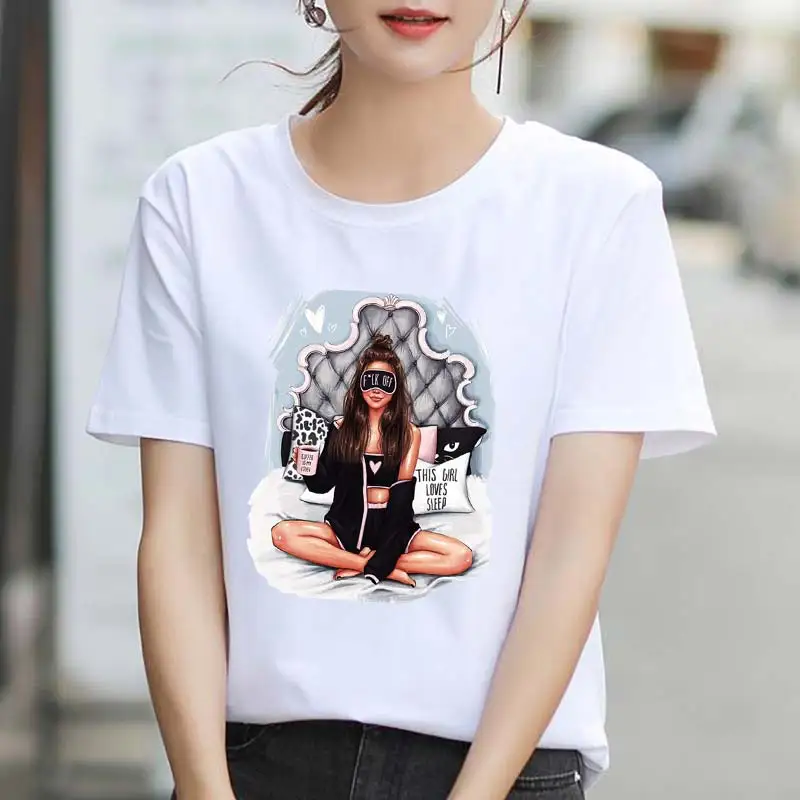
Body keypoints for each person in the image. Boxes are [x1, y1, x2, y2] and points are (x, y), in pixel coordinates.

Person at [87, 0, 716, 798]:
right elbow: (179, 541)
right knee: (298, 534)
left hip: (501, 770)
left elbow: (568, 556)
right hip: (255, 766)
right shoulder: (198, 201)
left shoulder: (599, 207)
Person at [271, 333, 474, 587]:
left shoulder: (409, 434)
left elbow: (401, 500)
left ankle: (371, 563)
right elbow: (322, 486)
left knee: (461, 556)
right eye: (370, 381)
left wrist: (386, 554)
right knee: (281, 533)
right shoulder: (341, 429)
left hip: (393, 527)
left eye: (385, 382)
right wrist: (308, 469)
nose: (376, 389)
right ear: (360, 384)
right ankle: (370, 565)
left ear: (396, 388)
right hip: (346, 527)